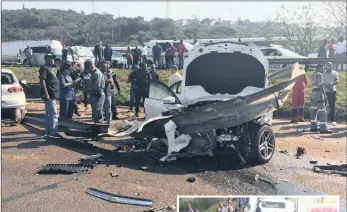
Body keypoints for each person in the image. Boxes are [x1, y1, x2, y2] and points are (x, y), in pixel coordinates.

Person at [39, 53, 60, 138]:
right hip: (49, 95)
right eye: (50, 59)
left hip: (52, 94)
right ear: (46, 59)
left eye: (53, 59)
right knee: (53, 113)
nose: (53, 60)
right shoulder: (44, 68)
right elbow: (42, 81)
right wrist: (46, 93)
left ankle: (48, 132)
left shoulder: (50, 68)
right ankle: (54, 133)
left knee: (49, 114)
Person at [309, 65, 333, 134]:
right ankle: (323, 128)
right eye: (322, 68)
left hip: (313, 93)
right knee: (322, 111)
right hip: (318, 93)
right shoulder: (319, 74)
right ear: (319, 68)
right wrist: (325, 95)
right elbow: (320, 85)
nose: (323, 69)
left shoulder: (313, 74)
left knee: (313, 110)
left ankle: (313, 127)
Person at [99, 60, 113, 125]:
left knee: (108, 108)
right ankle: (101, 121)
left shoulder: (108, 73)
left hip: (107, 93)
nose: (104, 67)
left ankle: (108, 121)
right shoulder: (98, 72)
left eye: (105, 66)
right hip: (99, 93)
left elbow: (110, 81)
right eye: (103, 66)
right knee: (100, 108)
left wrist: (102, 80)